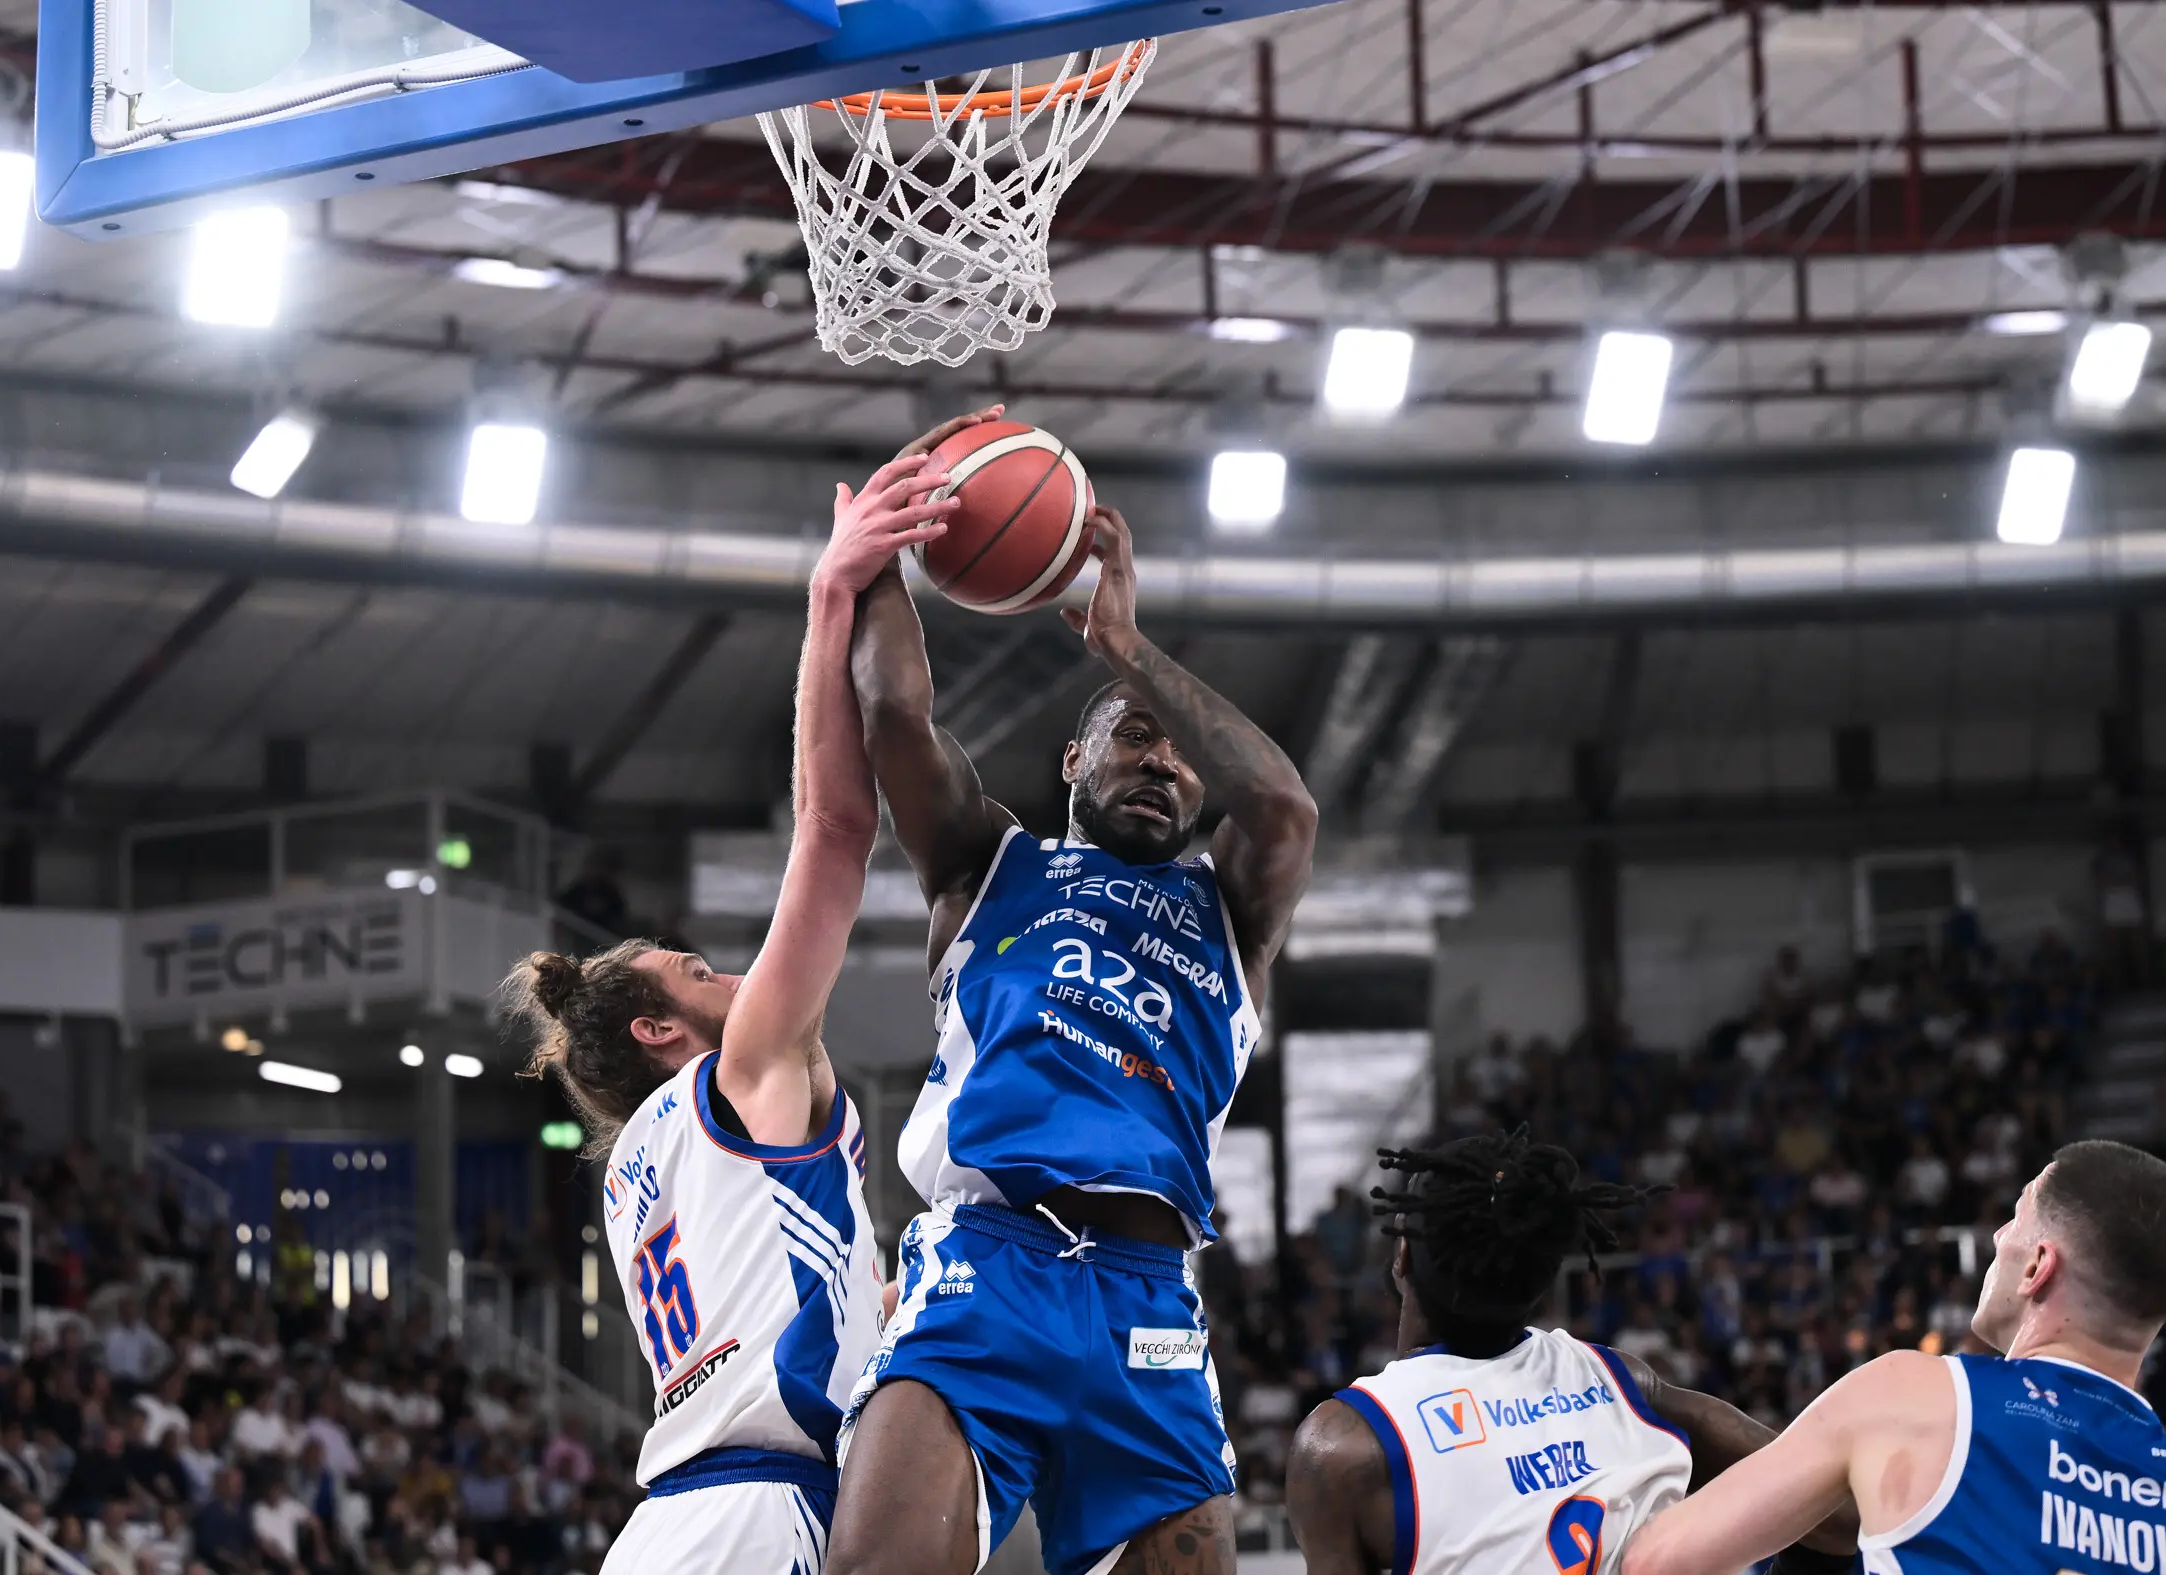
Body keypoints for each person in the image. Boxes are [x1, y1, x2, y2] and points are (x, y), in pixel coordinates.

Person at [826, 407, 1320, 1575]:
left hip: (1149, 1297)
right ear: (1072, 764)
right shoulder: (988, 865)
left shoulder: (1230, 912)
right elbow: (896, 716)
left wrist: (1123, 649)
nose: (1165, 763)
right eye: (1136, 739)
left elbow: (1286, 810)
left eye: (1182, 759)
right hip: (987, 1270)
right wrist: (883, 556)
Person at [503, 445, 956, 1572]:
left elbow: (797, 1293)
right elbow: (836, 831)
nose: (732, 979)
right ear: (661, 1032)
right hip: (762, 1517)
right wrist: (832, 595)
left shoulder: (635, 1168)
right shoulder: (737, 1069)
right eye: (696, 973)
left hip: (666, 1530)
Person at [1287, 1130, 1856, 1575]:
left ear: (1402, 1256)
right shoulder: (1626, 1386)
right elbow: (1839, 1522)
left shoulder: (1344, 1448)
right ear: (1544, 1277)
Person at [1625, 1139, 2166, 1575]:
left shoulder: (1917, 1395)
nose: (1999, 1236)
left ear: (2036, 1267)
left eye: (2016, 1218)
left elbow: (1655, 1562)